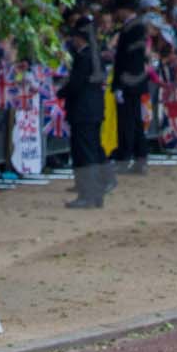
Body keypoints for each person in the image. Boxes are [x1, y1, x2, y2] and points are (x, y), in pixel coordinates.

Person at [61, 17, 109, 209]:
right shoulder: (95, 56)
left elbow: (75, 85)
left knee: (84, 154)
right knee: (93, 152)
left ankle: (87, 194)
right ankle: (95, 193)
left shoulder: (84, 57)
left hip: (83, 111)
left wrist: (59, 92)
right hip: (94, 111)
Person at [110, 0, 153, 175]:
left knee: (127, 123)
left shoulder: (133, 28)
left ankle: (125, 158)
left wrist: (121, 85)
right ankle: (139, 158)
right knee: (134, 122)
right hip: (134, 82)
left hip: (129, 83)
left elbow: (129, 60)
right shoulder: (135, 27)